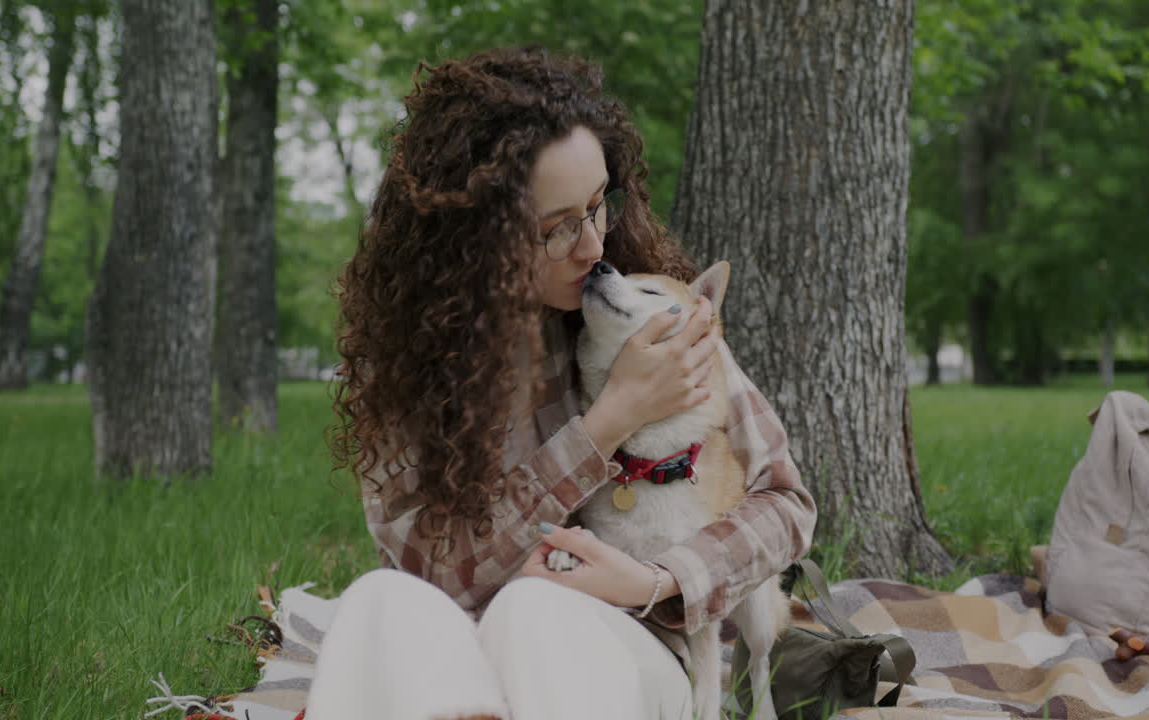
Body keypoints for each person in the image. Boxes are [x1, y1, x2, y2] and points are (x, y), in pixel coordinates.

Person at [309, 45, 817, 720]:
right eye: (557, 229)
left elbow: (784, 502)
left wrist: (660, 579)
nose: (594, 246)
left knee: (534, 605)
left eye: (599, 205)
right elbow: (433, 576)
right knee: (379, 600)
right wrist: (609, 420)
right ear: (479, 238)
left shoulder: (646, 313)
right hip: (458, 653)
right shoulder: (407, 361)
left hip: (617, 647)